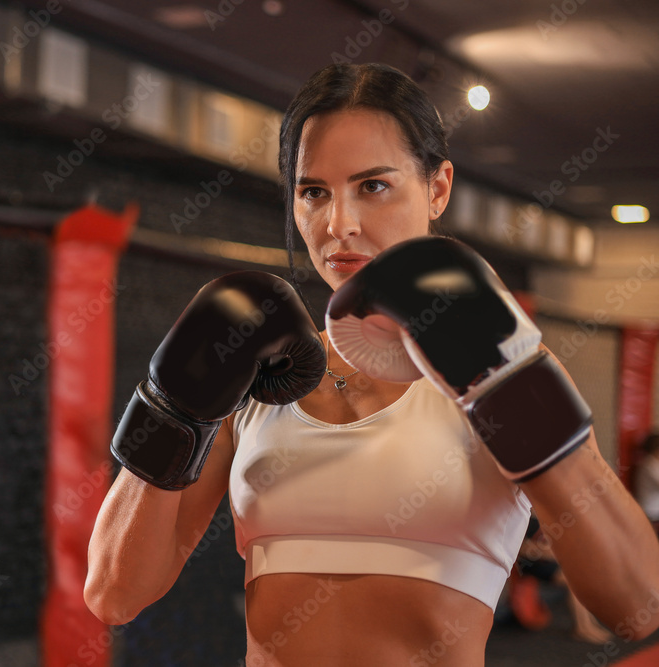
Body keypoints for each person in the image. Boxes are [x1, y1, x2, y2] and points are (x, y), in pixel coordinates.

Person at [84, 63, 659, 665]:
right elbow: (113, 592)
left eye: (373, 186)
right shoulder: (261, 375)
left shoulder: (500, 365)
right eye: (313, 192)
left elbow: (637, 603)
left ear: (437, 189)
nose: (340, 225)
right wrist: (173, 404)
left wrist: (510, 389)